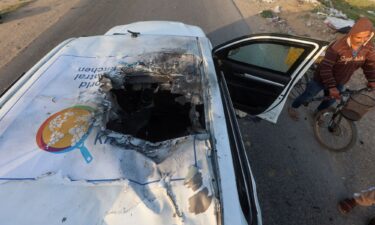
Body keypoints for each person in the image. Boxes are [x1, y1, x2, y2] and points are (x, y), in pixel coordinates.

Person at [288, 17, 375, 121]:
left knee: (330, 101)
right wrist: (332, 87)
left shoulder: (368, 47)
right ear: (351, 34)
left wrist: (372, 80)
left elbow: (370, 65)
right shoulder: (337, 47)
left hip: (340, 80)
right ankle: (293, 107)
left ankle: (318, 113)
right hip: (321, 78)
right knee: (308, 95)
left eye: (366, 37)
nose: (362, 41)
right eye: (358, 37)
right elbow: (326, 67)